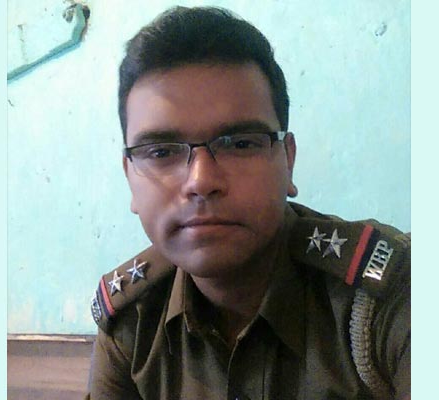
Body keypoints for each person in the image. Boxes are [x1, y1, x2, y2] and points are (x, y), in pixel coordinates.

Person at [86, 6, 410, 400]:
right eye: (161, 152)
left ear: (288, 160)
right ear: (129, 177)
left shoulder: (387, 296)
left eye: (240, 144)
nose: (201, 181)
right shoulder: (132, 322)